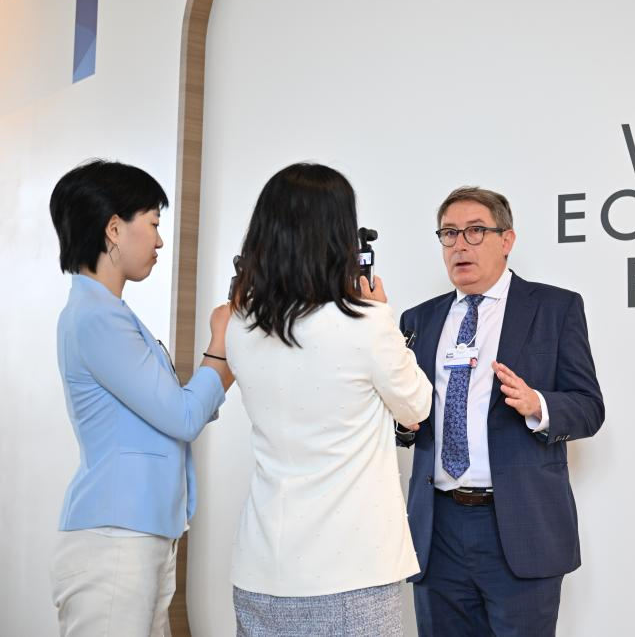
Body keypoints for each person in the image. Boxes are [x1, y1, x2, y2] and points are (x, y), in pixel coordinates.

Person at [226, 163, 431, 636]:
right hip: (351, 573)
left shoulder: (239, 326)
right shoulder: (366, 324)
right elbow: (417, 405)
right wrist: (381, 313)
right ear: (338, 235)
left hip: (259, 568)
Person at [400, 186, 605, 636]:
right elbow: (407, 419)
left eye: (475, 231)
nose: (460, 245)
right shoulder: (418, 320)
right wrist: (402, 423)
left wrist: (539, 404)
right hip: (437, 530)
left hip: (518, 526)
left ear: (507, 239)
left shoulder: (555, 308)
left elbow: (590, 408)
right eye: (449, 233)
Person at [48, 159, 234, 636]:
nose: (159, 241)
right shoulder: (98, 318)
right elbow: (184, 416)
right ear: (114, 229)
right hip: (114, 542)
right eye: (152, 223)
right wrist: (221, 341)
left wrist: (229, 348)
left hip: (138, 537)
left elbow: (178, 412)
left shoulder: (109, 314)